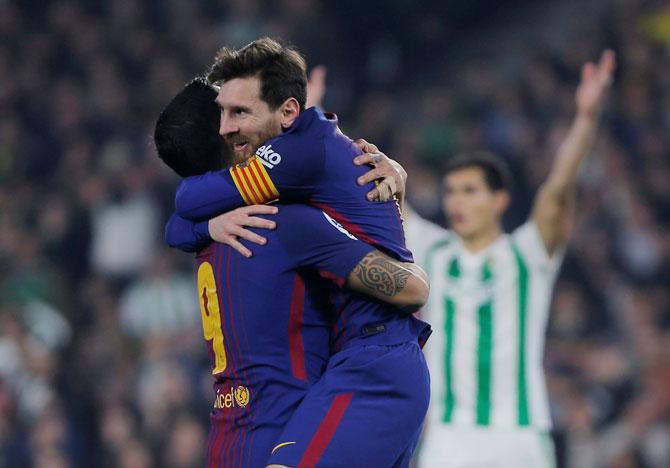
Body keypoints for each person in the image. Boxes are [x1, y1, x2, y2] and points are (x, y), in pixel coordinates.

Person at [156, 76, 430, 467]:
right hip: (289, 425)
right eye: (233, 113)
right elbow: (411, 289)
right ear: (229, 138)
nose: (241, 120)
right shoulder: (283, 222)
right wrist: (390, 212)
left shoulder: (204, 229)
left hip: (228, 435)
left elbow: (178, 219)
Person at [406, 50, 616, 468]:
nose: (456, 202)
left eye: (470, 191)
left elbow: (557, 192)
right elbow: (374, 197)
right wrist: (315, 121)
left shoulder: (527, 254)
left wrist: (585, 121)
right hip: (449, 437)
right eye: (451, 192)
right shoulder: (431, 250)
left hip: (518, 435)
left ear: (500, 200)